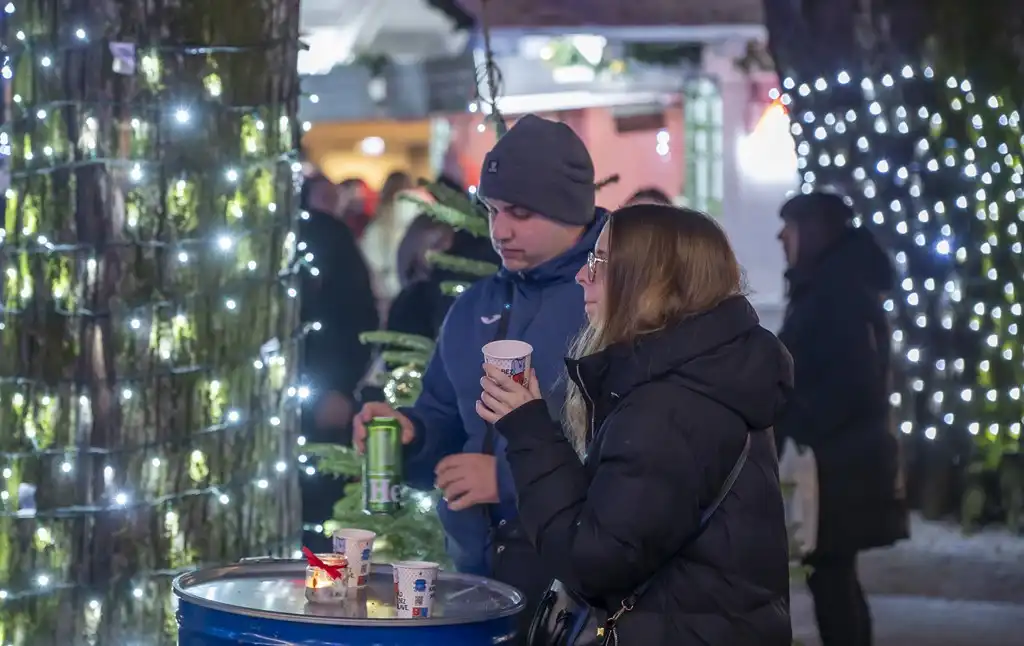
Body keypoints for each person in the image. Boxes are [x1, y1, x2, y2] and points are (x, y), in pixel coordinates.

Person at [476, 203, 793, 645]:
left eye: (600, 263)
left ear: (654, 281)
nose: (582, 277)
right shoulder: (690, 379)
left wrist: (528, 428)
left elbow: (593, 562)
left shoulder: (672, 407)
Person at [353, 114, 605, 640]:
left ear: (570, 209)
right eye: (491, 210)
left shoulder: (610, 300)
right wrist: (411, 435)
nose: (500, 229)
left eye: (520, 212)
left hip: (582, 585)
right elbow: (444, 414)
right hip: (477, 576)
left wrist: (506, 483)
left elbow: (637, 456)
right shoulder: (474, 307)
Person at [775, 192, 908, 646]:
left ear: (812, 232)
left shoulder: (837, 293)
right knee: (833, 577)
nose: (780, 237)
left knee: (831, 578)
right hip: (838, 460)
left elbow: (853, 384)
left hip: (838, 465)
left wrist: (796, 419)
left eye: (789, 228)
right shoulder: (830, 284)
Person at [299, 171, 380, 552]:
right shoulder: (326, 237)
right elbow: (359, 316)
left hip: (317, 396)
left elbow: (355, 317)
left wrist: (338, 385)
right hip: (317, 394)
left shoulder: (327, 238)